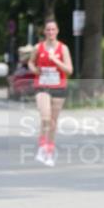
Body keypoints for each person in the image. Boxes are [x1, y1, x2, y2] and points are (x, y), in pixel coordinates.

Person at [28, 19, 73, 166]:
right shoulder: (38, 47)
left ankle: (49, 151)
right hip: (42, 86)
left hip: (58, 86)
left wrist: (56, 61)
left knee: (53, 122)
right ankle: (42, 146)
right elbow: (30, 62)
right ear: (44, 32)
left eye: (53, 29)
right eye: (48, 30)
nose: (51, 32)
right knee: (45, 117)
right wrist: (34, 70)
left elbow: (69, 70)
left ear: (57, 31)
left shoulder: (63, 48)